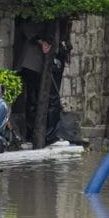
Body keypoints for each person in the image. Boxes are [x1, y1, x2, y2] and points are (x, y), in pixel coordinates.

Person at [13, 18, 71, 147]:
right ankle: (37, 136)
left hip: (50, 56)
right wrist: (40, 40)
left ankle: (48, 136)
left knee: (50, 97)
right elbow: (27, 27)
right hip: (34, 59)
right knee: (35, 98)